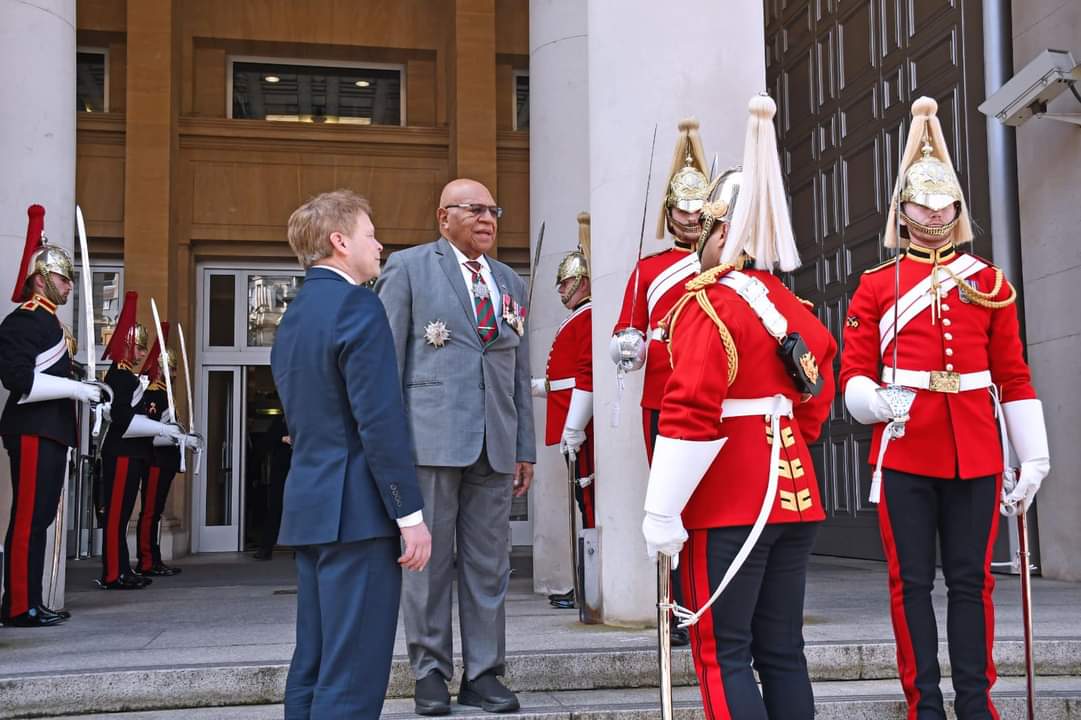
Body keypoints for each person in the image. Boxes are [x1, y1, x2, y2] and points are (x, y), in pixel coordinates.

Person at [839, 97, 1050, 720]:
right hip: (906, 450)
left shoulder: (988, 283)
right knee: (909, 587)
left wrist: (1032, 454)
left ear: (957, 209)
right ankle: (923, 704)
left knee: (972, 584)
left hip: (976, 452)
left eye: (943, 205)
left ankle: (976, 703)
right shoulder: (879, 285)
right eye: (922, 206)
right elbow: (851, 372)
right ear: (901, 212)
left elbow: (1012, 374)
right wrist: (872, 401)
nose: (933, 216)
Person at [641, 94, 837, 719]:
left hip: (729, 502)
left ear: (723, 231)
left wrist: (662, 509)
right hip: (793, 492)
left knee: (720, 650)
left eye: (706, 227)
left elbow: (691, 410)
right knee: (781, 650)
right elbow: (816, 389)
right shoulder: (790, 303)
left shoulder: (706, 303)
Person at [377, 178, 537, 715]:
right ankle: (429, 673)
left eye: (494, 209)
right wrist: (391, 446)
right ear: (444, 217)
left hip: (495, 446)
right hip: (431, 444)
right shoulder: (409, 268)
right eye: (475, 210)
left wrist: (525, 447)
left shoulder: (510, 281)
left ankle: (486, 674)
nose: (488, 218)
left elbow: (518, 371)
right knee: (427, 564)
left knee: (490, 566)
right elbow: (387, 365)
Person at [271, 189, 431, 720]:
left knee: (313, 665)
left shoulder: (293, 314)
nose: (379, 244)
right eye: (370, 234)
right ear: (340, 242)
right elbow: (379, 422)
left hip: (312, 509)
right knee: (353, 675)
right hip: (358, 516)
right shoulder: (358, 304)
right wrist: (409, 515)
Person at [612, 118, 713, 646]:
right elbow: (625, 330)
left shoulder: (727, 263)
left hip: (719, 399)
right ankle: (674, 604)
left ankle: (712, 598)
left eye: (700, 212)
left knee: (715, 504)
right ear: (670, 214)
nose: (691, 220)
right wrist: (629, 346)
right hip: (664, 397)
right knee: (669, 502)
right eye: (683, 211)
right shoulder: (650, 270)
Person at [0, 204, 101, 626]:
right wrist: (79, 387)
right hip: (32, 428)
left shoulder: (54, 326)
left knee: (40, 518)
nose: (69, 286)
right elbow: (18, 379)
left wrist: (84, 382)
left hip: (53, 430)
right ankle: (19, 604)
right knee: (27, 517)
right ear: (40, 279)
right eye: (63, 278)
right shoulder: (26, 321)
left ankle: (31, 600)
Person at [98, 293, 192, 590]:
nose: (141, 354)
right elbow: (125, 421)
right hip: (123, 451)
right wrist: (169, 432)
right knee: (117, 515)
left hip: (132, 452)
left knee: (123, 514)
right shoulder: (121, 377)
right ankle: (114, 572)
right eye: (137, 348)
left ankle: (122, 568)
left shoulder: (128, 378)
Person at [531, 218, 594, 609]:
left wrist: (575, 426)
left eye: (566, 282)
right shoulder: (576, 318)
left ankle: (590, 586)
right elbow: (565, 378)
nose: (560, 289)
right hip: (570, 420)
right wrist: (537, 387)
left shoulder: (589, 317)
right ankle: (585, 583)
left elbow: (587, 376)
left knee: (589, 506)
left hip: (582, 429)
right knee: (582, 504)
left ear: (583, 282)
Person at [135, 338, 183, 577]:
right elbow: (152, 430)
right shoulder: (154, 394)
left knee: (157, 509)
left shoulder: (168, 394)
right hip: (155, 459)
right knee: (150, 511)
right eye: (171, 368)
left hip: (165, 460)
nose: (173, 373)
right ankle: (146, 559)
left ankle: (154, 557)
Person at [253, 412, 290, 561]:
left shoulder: (307, 417)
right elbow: (265, 442)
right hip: (281, 471)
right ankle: (265, 548)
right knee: (276, 508)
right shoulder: (281, 420)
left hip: (302, 470)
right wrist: (283, 438)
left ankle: (306, 548)